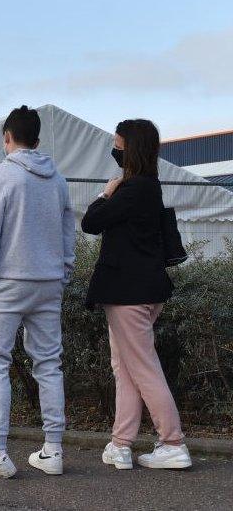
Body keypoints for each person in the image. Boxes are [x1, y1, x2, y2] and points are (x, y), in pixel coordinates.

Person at [0, 106, 76, 478]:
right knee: (49, 364)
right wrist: (63, 272)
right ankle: (53, 450)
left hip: (7, 283)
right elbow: (68, 231)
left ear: (7, 138)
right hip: (48, 282)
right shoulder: (58, 180)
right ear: (37, 139)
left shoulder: (0, 177)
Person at [82, 119, 191, 470]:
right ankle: (121, 443)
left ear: (131, 148)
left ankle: (172, 442)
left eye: (118, 144)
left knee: (141, 366)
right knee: (125, 367)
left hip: (128, 293)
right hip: (145, 289)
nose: (114, 150)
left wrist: (106, 192)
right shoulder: (149, 187)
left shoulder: (132, 190)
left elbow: (91, 222)